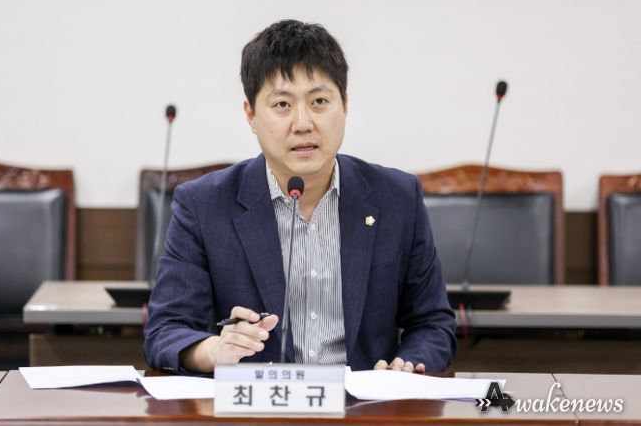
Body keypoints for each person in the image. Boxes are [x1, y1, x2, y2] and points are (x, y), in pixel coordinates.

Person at [144, 19, 456, 375]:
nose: (303, 123)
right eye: (282, 105)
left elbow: (432, 323)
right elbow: (165, 331)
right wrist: (214, 350)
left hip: (365, 401)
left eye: (319, 101)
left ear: (345, 105)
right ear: (251, 115)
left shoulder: (397, 198)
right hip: (258, 401)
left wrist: (406, 366)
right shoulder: (203, 205)